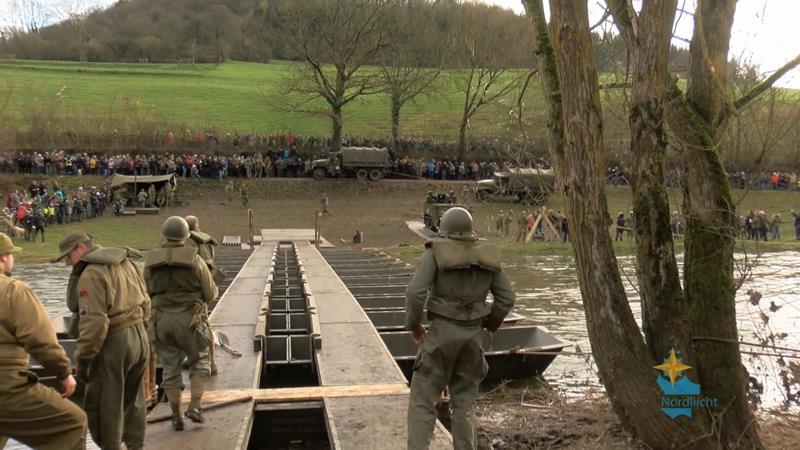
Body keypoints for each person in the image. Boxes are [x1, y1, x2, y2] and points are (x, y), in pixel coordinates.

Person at [405, 207, 515, 450]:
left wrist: (414, 325)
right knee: (464, 406)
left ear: (444, 229)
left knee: (422, 401)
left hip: (440, 337)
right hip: (473, 340)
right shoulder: (487, 256)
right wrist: (489, 323)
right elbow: (507, 298)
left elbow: (415, 293)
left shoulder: (435, 251)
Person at [56, 232, 150, 450]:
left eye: (68, 257)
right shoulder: (125, 262)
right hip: (139, 336)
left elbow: (94, 324)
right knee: (134, 399)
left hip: (114, 342)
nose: (66, 263)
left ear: (80, 248)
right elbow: (146, 302)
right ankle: (136, 446)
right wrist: (142, 333)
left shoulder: (92, 274)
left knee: (107, 405)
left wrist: (83, 361)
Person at [0, 233, 88, 450]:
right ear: (3, 258)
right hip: (7, 388)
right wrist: (64, 373)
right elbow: (41, 341)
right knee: (73, 422)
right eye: (11, 254)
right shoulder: (13, 290)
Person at [144, 217, 218, 431]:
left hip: (161, 321)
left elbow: (145, 291)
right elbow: (210, 293)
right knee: (200, 362)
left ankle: (176, 415)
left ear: (164, 235)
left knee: (170, 367)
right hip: (190, 320)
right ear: (186, 237)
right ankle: (194, 407)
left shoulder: (151, 262)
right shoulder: (194, 259)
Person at [185, 214, 223, 375]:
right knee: (203, 323)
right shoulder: (205, 241)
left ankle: (210, 363)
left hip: (194, 287)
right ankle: (209, 361)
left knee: (199, 325)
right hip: (204, 283)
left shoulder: (189, 241)